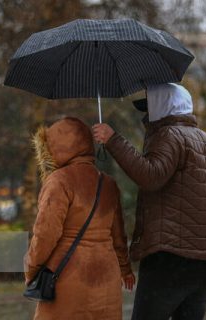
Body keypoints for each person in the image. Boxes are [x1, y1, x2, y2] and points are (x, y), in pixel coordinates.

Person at [93, 83, 206, 320]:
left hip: (170, 260)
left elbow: (150, 176)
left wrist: (113, 140)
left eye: (149, 108)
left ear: (163, 108)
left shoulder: (169, 135)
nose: (146, 116)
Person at [25, 117, 135, 320]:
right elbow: (118, 235)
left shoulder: (58, 181)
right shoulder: (108, 184)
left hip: (68, 278)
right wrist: (125, 269)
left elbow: (45, 234)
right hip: (106, 279)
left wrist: (31, 269)